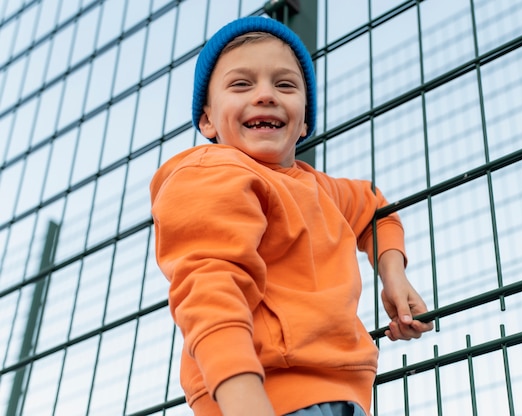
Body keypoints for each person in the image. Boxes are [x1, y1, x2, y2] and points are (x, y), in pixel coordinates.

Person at [149, 16, 433, 416]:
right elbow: (209, 290)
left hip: (346, 396)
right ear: (207, 119)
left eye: (285, 85)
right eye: (241, 84)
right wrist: (244, 400)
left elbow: (375, 208)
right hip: (262, 395)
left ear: (303, 122)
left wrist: (394, 276)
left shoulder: (323, 190)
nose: (265, 95)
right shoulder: (212, 173)